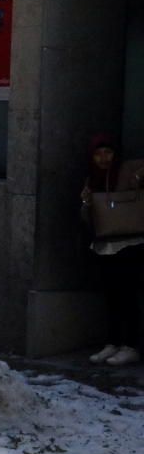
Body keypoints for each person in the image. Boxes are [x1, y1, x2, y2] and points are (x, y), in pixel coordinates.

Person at [81, 133, 143, 366]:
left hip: (130, 241)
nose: (103, 158)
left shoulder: (125, 170)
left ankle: (130, 345)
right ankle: (114, 342)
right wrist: (86, 204)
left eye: (108, 152)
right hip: (104, 243)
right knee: (112, 295)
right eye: (98, 154)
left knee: (127, 294)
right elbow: (88, 219)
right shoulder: (92, 179)